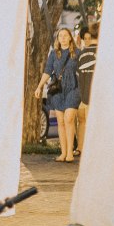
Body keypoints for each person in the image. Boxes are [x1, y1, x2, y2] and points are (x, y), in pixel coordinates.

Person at [34, 27, 80, 163]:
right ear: (58, 39)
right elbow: (48, 71)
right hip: (58, 90)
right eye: (60, 36)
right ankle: (63, 153)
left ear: (70, 37)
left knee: (69, 118)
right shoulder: (54, 54)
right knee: (60, 121)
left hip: (73, 88)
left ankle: (70, 152)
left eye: (65, 35)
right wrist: (39, 86)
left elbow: (83, 72)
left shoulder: (77, 52)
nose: (63, 38)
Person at [75, 21, 99, 157]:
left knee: (84, 121)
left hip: (85, 96)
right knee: (85, 121)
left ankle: (82, 148)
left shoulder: (82, 54)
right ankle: (83, 148)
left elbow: (79, 76)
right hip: (91, 96)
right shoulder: (101, 53)